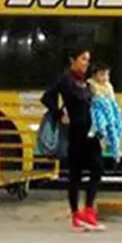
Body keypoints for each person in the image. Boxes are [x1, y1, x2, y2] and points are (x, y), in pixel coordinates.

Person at [41, 47, 105, 232]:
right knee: (75, 174)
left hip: (91, 133)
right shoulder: (65, 80)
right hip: (76, 132)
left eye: (88, 59)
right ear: (72, 60)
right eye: (83, 59)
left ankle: (89, 211)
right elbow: (47, 98)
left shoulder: (85, 81)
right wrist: (60, 113)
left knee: (97, 168)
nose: (86, 63)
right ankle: (76, 215)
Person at [87, 62, 122, 166]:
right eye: (102, 74)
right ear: (94, 75)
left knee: (114, 127)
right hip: (98, 110)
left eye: (107, 74)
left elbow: (112, 101)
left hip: (109, 111)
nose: (105, 77)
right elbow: (94, 101)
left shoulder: (108, 86)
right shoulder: (91, 84)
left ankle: (115, 150)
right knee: (101, 123)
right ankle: (99, 134)